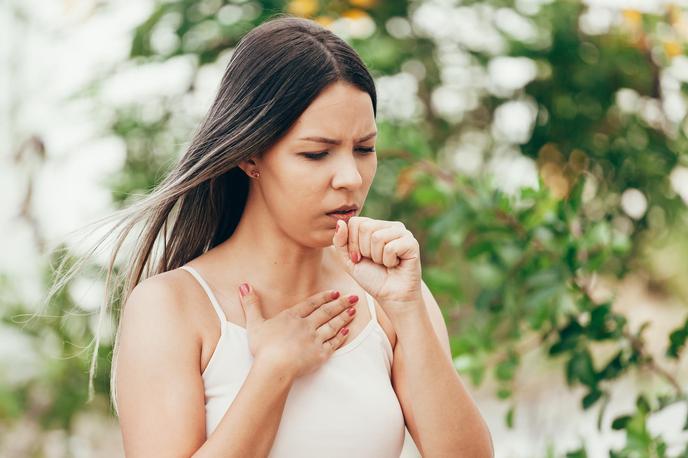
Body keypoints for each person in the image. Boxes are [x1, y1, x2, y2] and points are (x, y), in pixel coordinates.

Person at [103, 14, 492, 457]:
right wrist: (272, 372)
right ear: (250, 156)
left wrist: (408, 311)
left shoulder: (391, 301)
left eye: (364, 148)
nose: (350, 177)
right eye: (316, 153)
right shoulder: (171, 306)